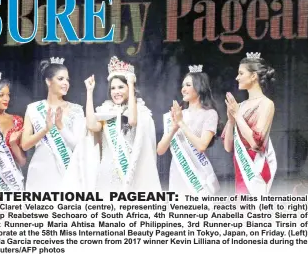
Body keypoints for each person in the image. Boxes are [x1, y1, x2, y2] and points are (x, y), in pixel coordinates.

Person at [82, 56, 161, 192]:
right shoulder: (106, 110)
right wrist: (89, 92)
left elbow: (132, 121)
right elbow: (91, 125)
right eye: (113, 88)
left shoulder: (139, 111)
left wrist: (131, 84)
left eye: (120, 87)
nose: (116, 92)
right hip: (106, 172)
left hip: (129, 171)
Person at [20, 57, 86, 191]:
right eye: (61, 79)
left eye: (67, 80)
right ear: (48, 81)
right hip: (40, 172)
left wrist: (60, 125)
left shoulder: (77, 109)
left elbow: (78, 145)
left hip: (67, 171)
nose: (66, 83)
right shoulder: (33, 108)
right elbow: (25, 144)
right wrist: (46, 129)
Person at [156, 65, 220, 195]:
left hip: (198, 173)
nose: (183, 89)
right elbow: (160, 150)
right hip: (178, 172)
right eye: (183, 86)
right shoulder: (178, 114)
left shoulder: (210, 114)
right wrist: (174, 128)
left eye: (188, 85)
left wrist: (181, 123)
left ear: (199, 87)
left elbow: (202, 146)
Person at [222, 52, 277, 195]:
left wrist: (237, 115)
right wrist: (231, 119)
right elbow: (228, 147)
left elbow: (256, 144)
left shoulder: (266, 104)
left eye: (241, 73)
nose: (237, 77)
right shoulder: (239, 106)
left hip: (256, 170)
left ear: (253, 76)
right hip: (240, 169)